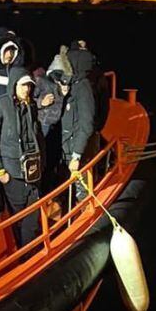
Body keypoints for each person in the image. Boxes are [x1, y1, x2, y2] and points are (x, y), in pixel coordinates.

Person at [0, 71, 46, 247]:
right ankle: (23, 254)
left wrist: (43, 162)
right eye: (23, 85)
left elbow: (37, 135)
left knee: (32, 216)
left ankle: (30, 255)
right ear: (14, 85)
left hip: (33, 170)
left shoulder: (31, 106)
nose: (26, 89)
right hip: (12, 172)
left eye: (29, 85)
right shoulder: (0, 105)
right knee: (18, 218)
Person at [62, 45, 98, 200]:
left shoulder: (83, 88)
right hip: (68, 146)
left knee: (81, 189)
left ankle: (84, 214)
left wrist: (76, 155)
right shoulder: (74, 84)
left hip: (75, 150)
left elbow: (86, 124)